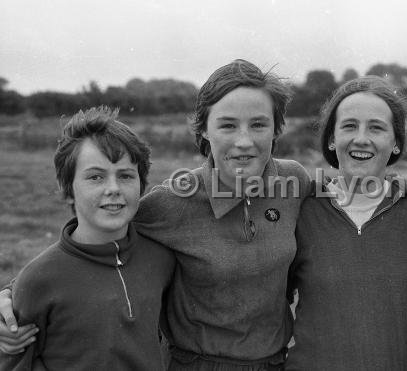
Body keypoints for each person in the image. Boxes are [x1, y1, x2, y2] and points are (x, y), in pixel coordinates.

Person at [0, 60, 311, 370]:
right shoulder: (172, 201)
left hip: (276, 363)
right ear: (204, 129)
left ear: (277, 128)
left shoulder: (294, 181)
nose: (244, 141)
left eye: (258, 124)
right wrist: (8, 299)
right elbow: (90, 239)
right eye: (227, 125)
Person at [0, 107, 175, 370]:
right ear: (69, 190)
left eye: (126, 176)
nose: (113, 189)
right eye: (95, 177)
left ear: (142, 185)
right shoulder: (37, 281)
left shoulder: (162, 259)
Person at [286, 76, 407, 370]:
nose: (361, 138)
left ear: (395, 143)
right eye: (349, 126)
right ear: (332, 138)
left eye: (376, 128)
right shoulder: (302, 207)